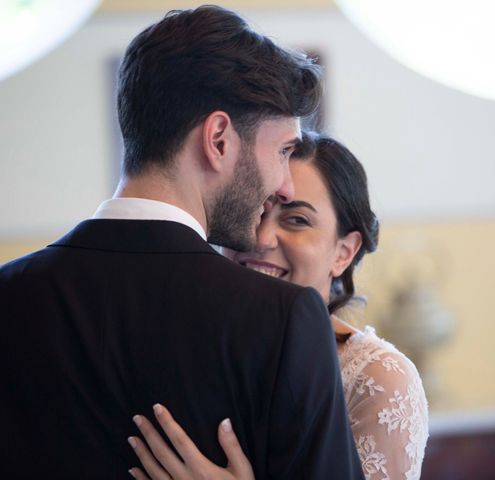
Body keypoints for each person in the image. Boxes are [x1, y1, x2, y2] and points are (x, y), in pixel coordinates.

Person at [0, 7, 364, 479]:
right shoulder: (281, 319)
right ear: (218, 139)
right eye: (283, 151)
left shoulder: (9, 294)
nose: (285, 186)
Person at [126, 133, 430, 480]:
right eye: (256, 211)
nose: (261, 238)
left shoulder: (377, 380)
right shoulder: (184, 343)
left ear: (344, 252)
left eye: (297, 220)